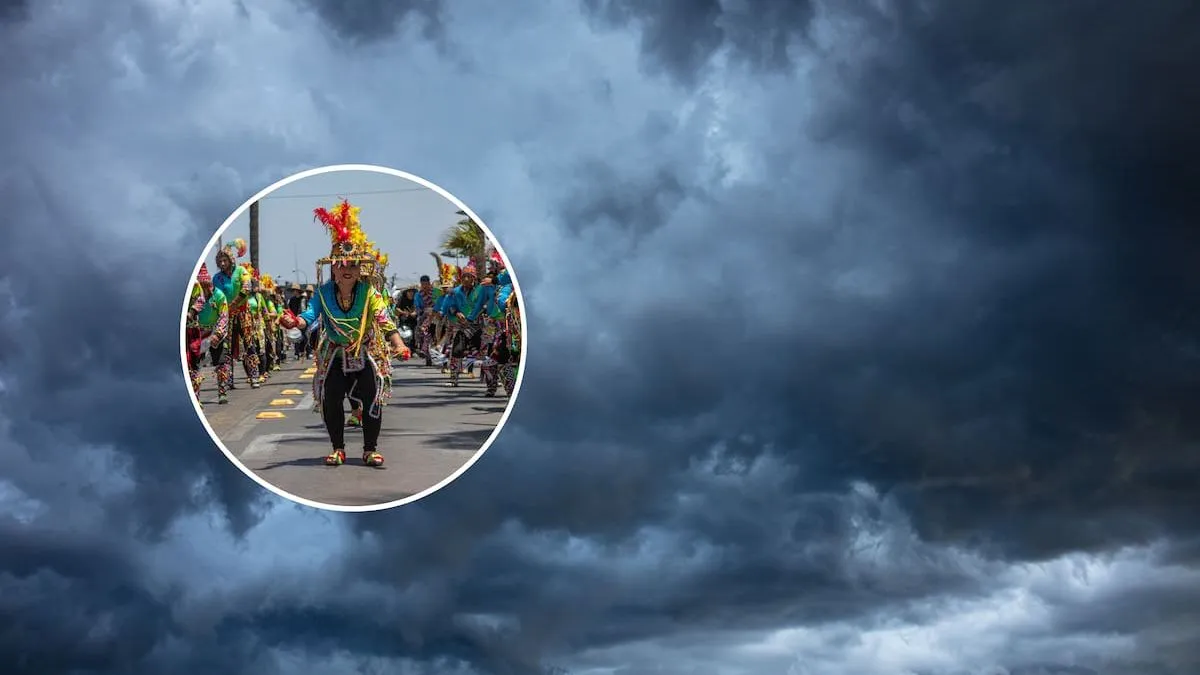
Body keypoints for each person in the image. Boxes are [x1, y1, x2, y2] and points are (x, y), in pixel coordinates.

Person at [278, 199, 410, 467]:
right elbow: (309, 316)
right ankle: (338, 448)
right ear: (333, 269)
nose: (347, 270)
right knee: (331, 398)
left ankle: (369, 449)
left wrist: (398, 344)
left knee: (373, 398)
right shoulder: (324, 293)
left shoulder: (369, 292)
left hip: (366, 353)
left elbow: (384, 320)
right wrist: (294, 323)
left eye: (352, 265)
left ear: (359, 269)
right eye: (342, 265)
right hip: (335, 354)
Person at [212, 240, 261, 389]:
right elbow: (216, 296)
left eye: (224, 260)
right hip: (226, 316)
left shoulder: (241, 271)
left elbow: (246, 288)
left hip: (242, 313)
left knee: (249, 344)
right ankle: (228, 379)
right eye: (219, 260)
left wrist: (233, 304)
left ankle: (254, 376)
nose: (222, 263)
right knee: (227, 347)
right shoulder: (217, 278)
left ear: (231, 260)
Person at [442, 262, 494, 387]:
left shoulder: (482, 290)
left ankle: (491, 380)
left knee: (484, 353)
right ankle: (453, 378)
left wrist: (482, 310)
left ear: (474, 278)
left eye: (469, 276)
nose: (466, 279)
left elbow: (489, 303)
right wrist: (457, 312)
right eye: (464, 276)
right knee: (457, 350)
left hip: (480, 326)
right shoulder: (455, 292)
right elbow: (448, 307)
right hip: (463, 326)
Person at [188, 263, 233, 404]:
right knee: (194, 365)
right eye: (200, 286)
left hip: (215, 332)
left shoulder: (219, 296)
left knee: (220, 362)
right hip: (197, 333)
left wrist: (218, 334)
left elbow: (224, 315)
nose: (203, 289)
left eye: (205, 285)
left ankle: (222, 392)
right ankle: (195, 397)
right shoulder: (194, 296)